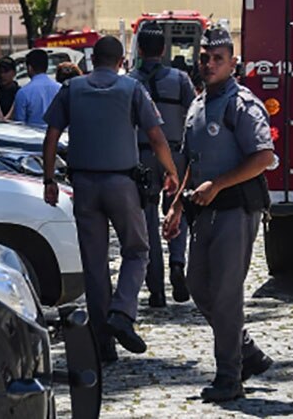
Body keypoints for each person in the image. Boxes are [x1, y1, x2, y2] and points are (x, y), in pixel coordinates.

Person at [42, 36, 179, 364]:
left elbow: (50, 137)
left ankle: (103, 342)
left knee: (94, 264)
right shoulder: (132, 90)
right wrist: (171, 171)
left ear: (92, 58)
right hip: (122, 183)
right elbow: (156, 135)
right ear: (121, 62)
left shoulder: (71, 89)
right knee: (137, 249)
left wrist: (49, 180)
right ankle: (123, 311)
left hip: (84, 185)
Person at [163, 26, 276, 402]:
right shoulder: (198, 104)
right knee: (197, 285)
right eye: (205, 58)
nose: (209, 64)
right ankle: (244, 349)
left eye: (218, 59)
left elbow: (263, 157)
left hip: (236, 210)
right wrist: (177, 205)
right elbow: (194, 163)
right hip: (204, 212)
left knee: (226, 295)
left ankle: (230, 377)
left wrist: (219, 185)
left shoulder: (241, 104)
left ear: (233, 63)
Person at [129, 22, 196, 308]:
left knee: (146, 225)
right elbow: (194, 114)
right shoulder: (180, 79)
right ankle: (178, 262)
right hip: (175, 155)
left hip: (141, 158)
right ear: (164, 50)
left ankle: (155, 288)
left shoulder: (130, 82)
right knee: (176, 211)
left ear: (140, 50)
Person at [12, 49, 60, 128]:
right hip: (58, 138)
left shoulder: (23, 92)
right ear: (46, 66)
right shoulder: (60, 88)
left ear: (29, 68)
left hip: (32, 138)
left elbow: (19, 125)